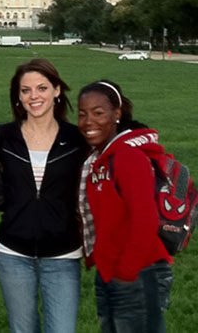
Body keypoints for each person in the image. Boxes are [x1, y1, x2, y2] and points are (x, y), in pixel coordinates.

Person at [0, 59, 87, 333]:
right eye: (25, 90)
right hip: (12, 253)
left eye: (42, 88)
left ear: (56, 90)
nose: (34, 97)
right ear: (18, 96)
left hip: (63, 254)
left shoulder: (77, 138)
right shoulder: (4, 135)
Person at [77, 80, 173, 333]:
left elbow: (146, 221)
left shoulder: (128, 157)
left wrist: (126, 272)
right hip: (111, 273)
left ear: (116, 114)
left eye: (98, 113)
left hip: (139, 272)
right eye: (83, 114)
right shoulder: (97, 160)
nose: (89, 122)